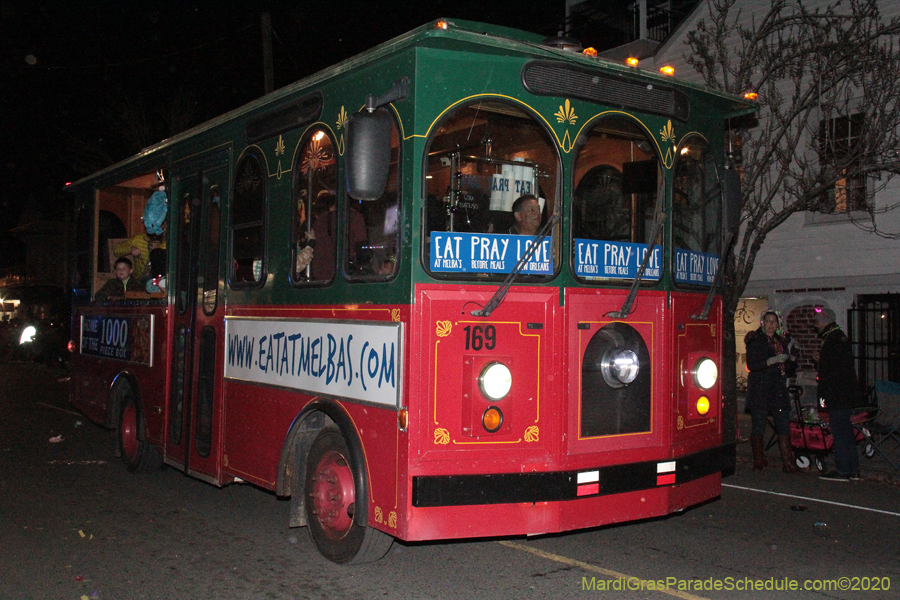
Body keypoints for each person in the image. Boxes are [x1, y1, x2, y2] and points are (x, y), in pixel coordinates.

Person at [745, 310, 800, 473]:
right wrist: (770, 361)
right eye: (768, 321)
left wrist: (793, 357)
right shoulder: (756, 340)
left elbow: (788, 369)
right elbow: (753, 365)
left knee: (783, 424)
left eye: (773, 322)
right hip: (761, 389)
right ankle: (758, 461)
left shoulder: (780, 342)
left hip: (778, 389)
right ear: (763, 323)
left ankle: (788, 463)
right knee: (759, 425)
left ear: (778, 325)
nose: (770, 325)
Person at [815, 307, 864, 481]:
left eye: (818, 321)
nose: (816, 325)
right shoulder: (838, 337)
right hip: (843, 394)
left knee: (840, 432)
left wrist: (820, 362)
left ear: (824, 321)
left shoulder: (833, 339)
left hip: (838, 395)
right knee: (846, 432)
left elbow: (832, 369)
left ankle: (843, 469)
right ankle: (852, 469)